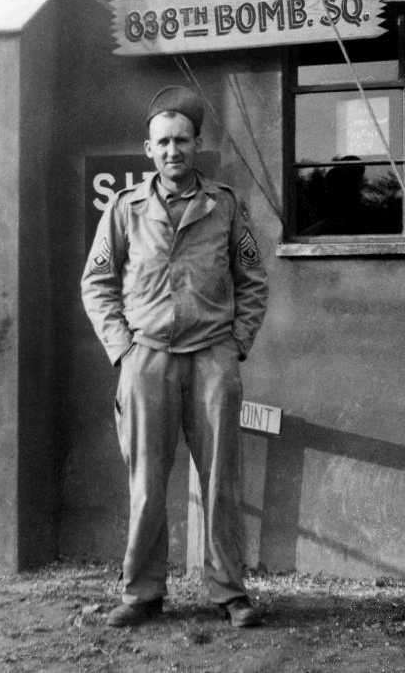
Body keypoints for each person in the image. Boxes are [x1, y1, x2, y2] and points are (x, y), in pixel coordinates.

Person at [80, 85, 268, 628]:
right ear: (148, 149)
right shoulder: (125, 209)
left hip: (211, 358)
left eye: (181, 141)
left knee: (221, 481)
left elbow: (253, 281)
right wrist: (122, 349)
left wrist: (236, 344)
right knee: (145, 483)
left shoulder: (225, 206)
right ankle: (142, 592)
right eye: (162, 142)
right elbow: (97, 283)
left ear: (197, 145)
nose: (172, 151)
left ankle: (229, 592)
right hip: (148, 359)